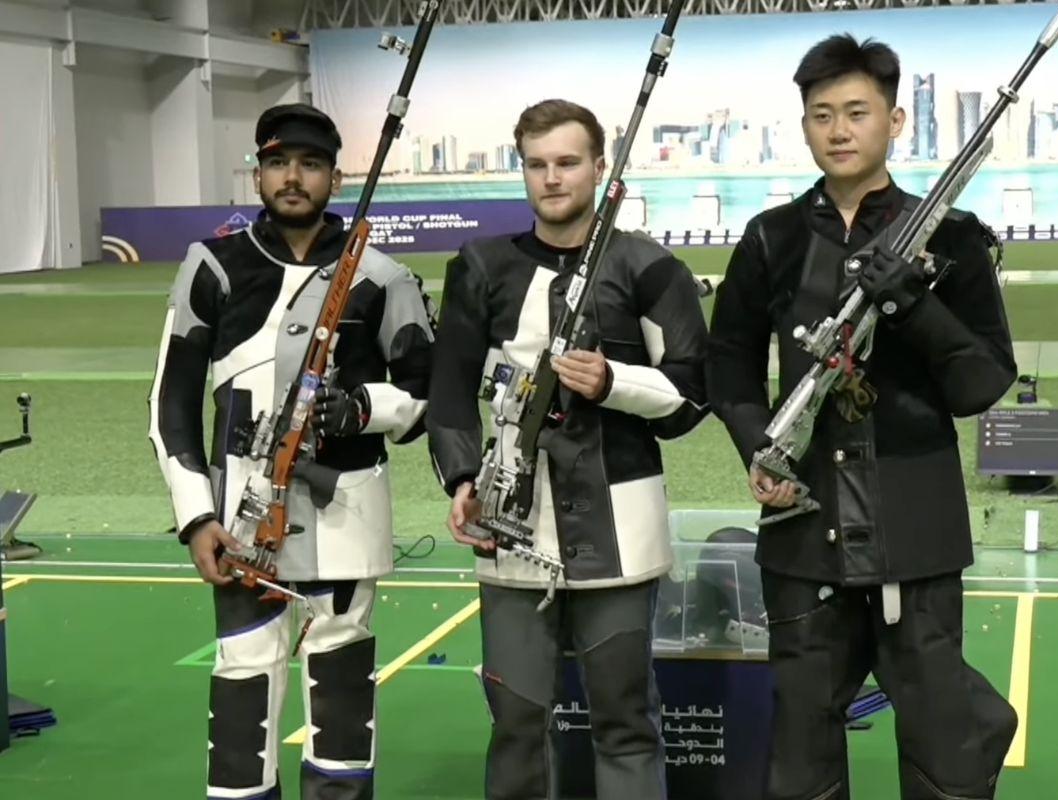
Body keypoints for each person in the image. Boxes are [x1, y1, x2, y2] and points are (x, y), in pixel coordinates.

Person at [706, 35, 1019, 800]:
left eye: (856, 112)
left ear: (895, 121)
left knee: (945, 751)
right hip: (801, 536)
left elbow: (982, 381)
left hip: (916, 533)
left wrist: (911, 302)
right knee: (803, 755)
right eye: (821, 115)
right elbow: (728, 364)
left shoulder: (951, 239)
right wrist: (761, 450)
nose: (838, 130)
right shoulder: (771, 239)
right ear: (805, 126)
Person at [147, 103, 434, 800]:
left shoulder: (384, 276)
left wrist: (363, 407)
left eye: (309, 164)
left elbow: (430, 396)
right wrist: (195, 518)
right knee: (243, 688)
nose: (293, 178)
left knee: (342, 697)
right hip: (242, 522)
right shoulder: (212, 267)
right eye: (278, 163)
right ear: (258, 176)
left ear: (336, 177)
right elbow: (169, 405)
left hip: (346, 516)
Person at [426, 99, 707, 800]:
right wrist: (461, 479)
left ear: (599, 168)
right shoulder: (479, 265)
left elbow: (690, 397)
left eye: (567, 162)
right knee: (517, 721)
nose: (552, 179)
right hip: (509, 531)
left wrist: (614, 382)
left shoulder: (650, 267)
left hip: (621, 534)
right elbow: (450, 391)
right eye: (537, 164)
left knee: (625, 722)